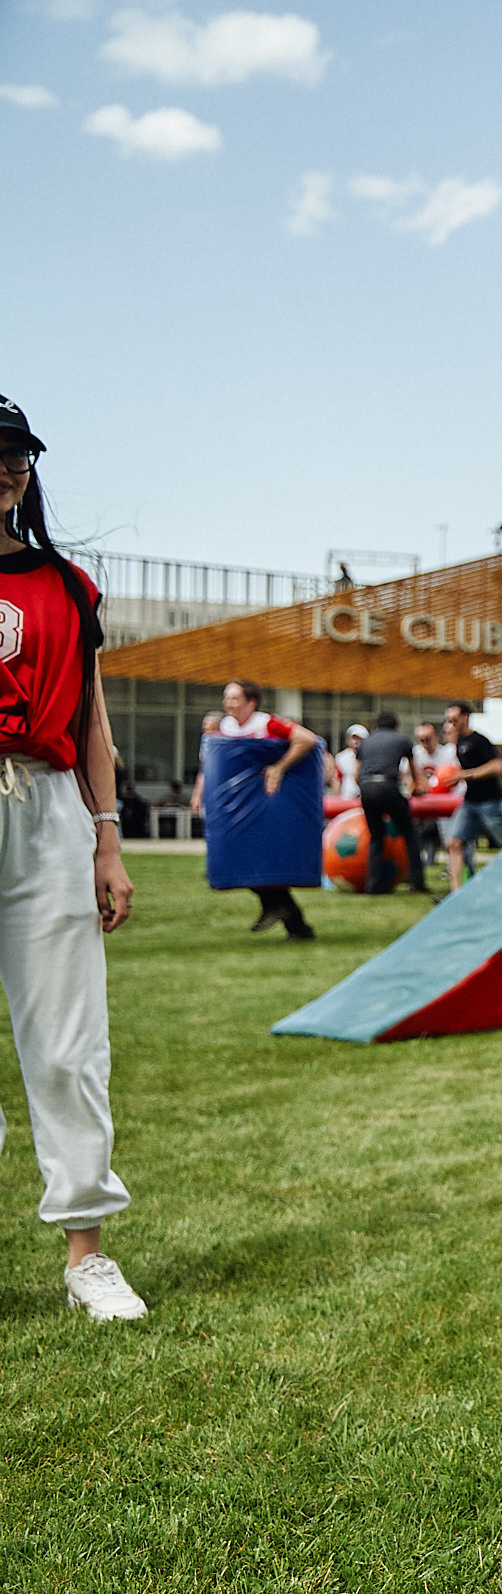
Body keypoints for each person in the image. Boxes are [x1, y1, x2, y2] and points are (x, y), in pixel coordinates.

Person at [0, 395, 147, 1320]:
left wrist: (107, 835)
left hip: (51, 808)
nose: (7, 467)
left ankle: (85, 1254)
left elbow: (91, 721)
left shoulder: (68, 585)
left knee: (67, 1040)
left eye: (17, 454)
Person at [193, 679, 320, 938]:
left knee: (261, 862)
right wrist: (200, 793)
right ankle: (292, 920)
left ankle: (290, 919)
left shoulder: (266, 724)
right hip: (237, 806)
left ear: (251, 702)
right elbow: (212, 765)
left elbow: (307, 740)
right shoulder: (225, 729)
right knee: (242, 859)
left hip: (268, 804)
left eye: (234, 698)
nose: (228, 703)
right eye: (226, 698)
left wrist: (278, 767)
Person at [354, 710, 427, 896]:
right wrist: (417, 789)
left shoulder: (365, 742)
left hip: (366, 788)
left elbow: (356, 775)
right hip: (388, 786)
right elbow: (414, 773)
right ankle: (417, 883)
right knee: (410, 834)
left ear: (376, 726)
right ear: (395, 726)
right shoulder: (402, 740)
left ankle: (373, 887)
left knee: (376, 838)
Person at [439, 702, 502, 890]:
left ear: (466, 717)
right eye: (449, 720)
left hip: (490, 803)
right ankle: (456, 893)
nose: (451, 723)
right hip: (470, 802)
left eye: (454, 719)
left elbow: (497, 766)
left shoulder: (479, 740)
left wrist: (466, 774)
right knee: (453, 842)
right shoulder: (458, 743)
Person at [411, 719, 455, 879]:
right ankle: (413, 871)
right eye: (421, 739)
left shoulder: (447, 753)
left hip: (443, 800)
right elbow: (407, 776)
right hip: (422, 801)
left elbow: (454, 777)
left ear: (436, 737)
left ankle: (452, 869)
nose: (424, 743)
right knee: (414, 836)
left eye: (427, 738)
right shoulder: (415, 753)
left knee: (450, 837)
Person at [330, 723, 366, 795]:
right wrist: (336, 796)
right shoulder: (341, 757)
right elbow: (337, 778)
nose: (356, 741)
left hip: (364, 795)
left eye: (360, 738)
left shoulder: (370, 756)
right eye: (354, 738)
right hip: (347, 795)